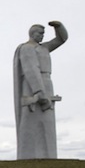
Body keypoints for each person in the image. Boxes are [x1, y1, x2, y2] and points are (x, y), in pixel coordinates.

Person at [13, 21, 68, 159]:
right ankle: (28, 155)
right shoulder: (27, 48)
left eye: (44, 34)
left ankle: (48, 155)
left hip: (47, 82)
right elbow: (30, 69)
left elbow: (62, 39)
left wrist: (58, 27)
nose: (42, 36)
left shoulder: (44, 48)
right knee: (30, 122)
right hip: (33, 86)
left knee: (47, 122)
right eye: (40, 33)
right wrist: (39, 92)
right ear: (32, 33)